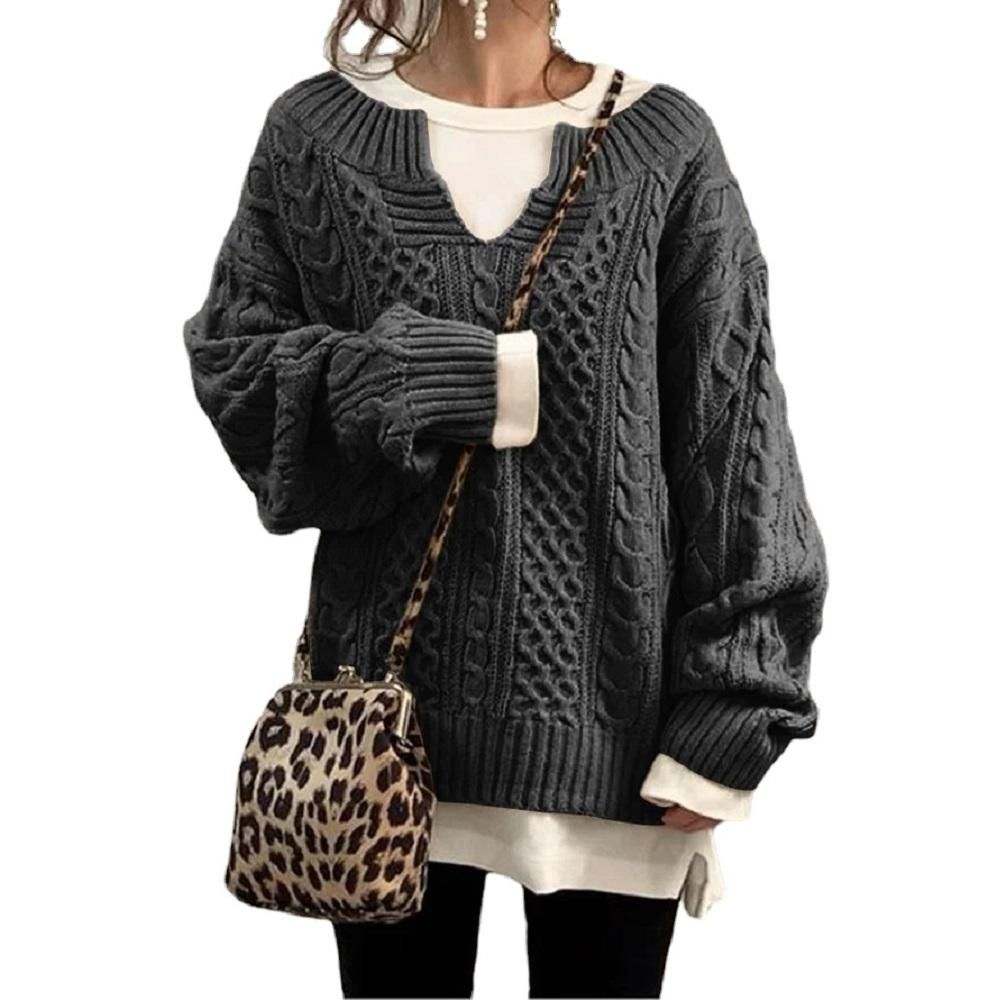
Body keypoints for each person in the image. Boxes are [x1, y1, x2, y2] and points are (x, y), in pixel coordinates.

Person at [182, 1, 828, 996]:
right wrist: (418, 379)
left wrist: (735, 705)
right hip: (380, 747)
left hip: (619, 745)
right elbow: (238, 372)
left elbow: (736, 440)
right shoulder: (315, 136)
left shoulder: (665, 145)